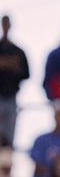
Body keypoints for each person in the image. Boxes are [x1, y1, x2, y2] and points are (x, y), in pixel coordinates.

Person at [0, 15, 30, 147]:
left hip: (12, 97)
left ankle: (6, 165)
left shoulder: (18, 51)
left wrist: (11, 66)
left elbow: (26, 74)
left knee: (9, 137)